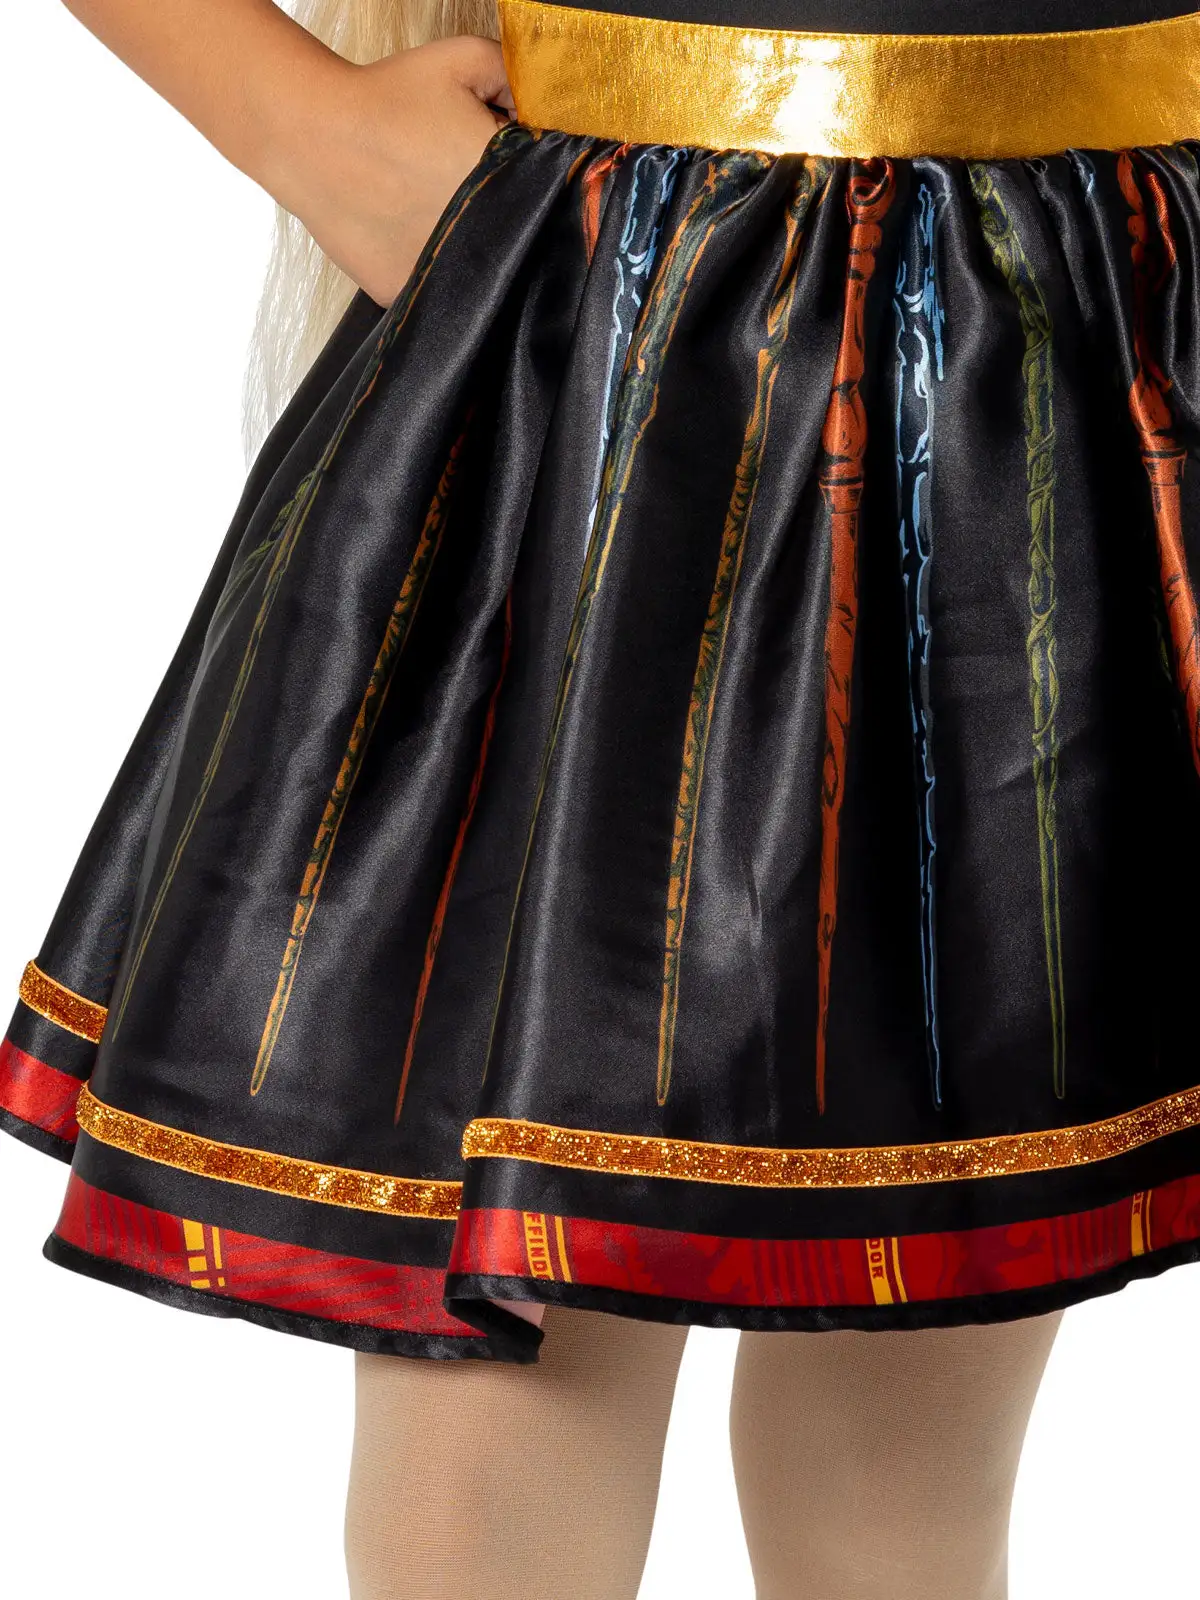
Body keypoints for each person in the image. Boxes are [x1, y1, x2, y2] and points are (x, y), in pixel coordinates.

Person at [4, 0, 1200, 1595]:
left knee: (917, 1406)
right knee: (514, 1376)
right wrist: (299, 120)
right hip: (624, 331)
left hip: (1070, 304)